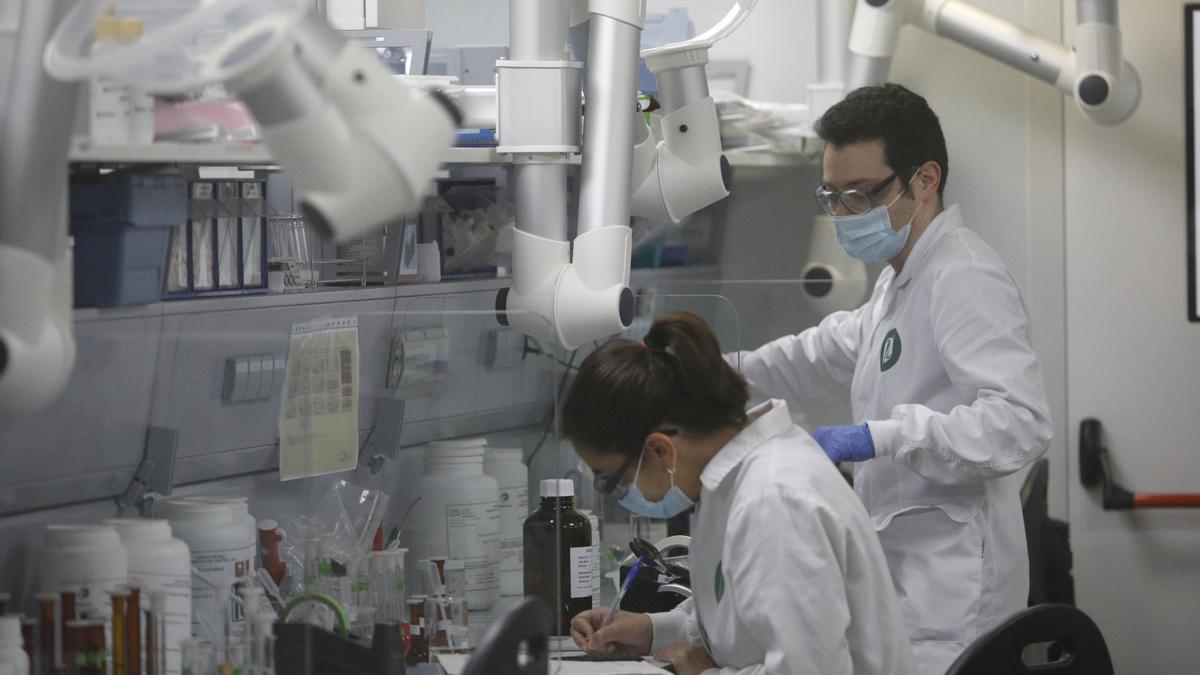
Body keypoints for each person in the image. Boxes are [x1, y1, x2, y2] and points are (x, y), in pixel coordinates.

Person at [730, 83, 1053, 672]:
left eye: (860, 195)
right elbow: (822, 350)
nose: (845, 215)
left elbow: (1020, 424)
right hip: (912, 598)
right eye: (833, 197)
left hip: (955, 608)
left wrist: (883, 437)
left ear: (924, 180)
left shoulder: (963, 276)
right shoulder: (900, 281)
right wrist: (720, 374)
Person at [563, 311, 915, 675]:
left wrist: (703, 674)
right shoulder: (729, 481)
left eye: (610, 480)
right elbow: (742, 625)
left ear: (660, 451)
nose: (617, 493)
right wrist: (653, 630)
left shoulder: (774, 501)